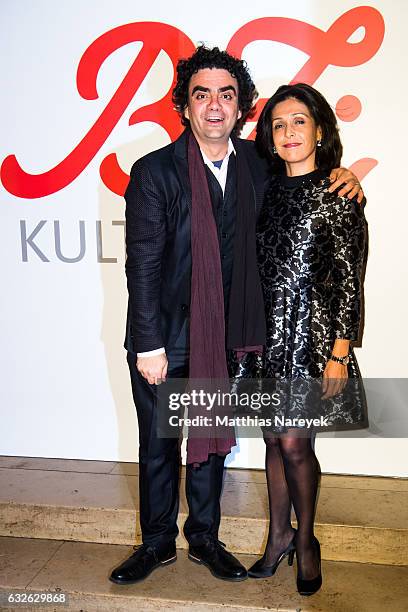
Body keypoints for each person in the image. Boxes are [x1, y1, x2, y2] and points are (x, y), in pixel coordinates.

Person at [110, 46, 364, 586]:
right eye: (202, 94)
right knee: (158, 446)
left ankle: (203, 537)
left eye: (227, 94)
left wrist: (345, 177)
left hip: (225, 338)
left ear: (241, 106)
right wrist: (149, 344)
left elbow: (308, 184)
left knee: (208, 450)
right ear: (186, 106)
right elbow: (143, 265)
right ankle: (156, 543)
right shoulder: (154, 172)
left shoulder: (258, 164)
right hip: (165, 340)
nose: (215, 105)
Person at [249, 83, 367, 596]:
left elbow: (348, 279)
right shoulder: (263, 189)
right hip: (264, 336)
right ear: (269, 138)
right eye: (278, 124)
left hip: (312, 341)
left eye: (299, 121)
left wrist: (340, 353)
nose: (289, 132)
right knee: (273, 440)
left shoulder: (339, 194)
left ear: (320, 130)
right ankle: (278, 535)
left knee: (297, 444)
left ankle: (307, 542)